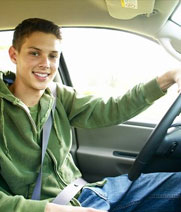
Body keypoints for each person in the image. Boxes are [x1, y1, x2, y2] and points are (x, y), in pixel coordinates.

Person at [0, 18, 181, 212]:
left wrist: (169, 77)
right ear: (14, 54)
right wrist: (56, 210)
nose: (45, 64)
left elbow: (114, 108)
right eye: (35, 53)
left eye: (53, 56)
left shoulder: (58, 95)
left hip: (89, 192)